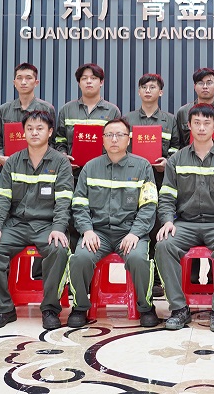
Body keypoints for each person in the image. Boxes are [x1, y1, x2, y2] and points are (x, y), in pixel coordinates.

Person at [0, 111, 73, 331]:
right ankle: (3, 309)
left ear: (50, 132)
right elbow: (1, 199)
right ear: (23, 133)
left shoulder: (60, 162)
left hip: (47, 225)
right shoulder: (13, 162)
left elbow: (64, 201)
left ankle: (50, 309)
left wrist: (59, 228)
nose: (34, 133)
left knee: (58, 249)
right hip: (16, 225)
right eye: (29, 129)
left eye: (40, 128)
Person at [155, 104, 214, 333]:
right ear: (189, 126)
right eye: (197, 123)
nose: (202, 128)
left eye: (207, 123)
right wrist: (167, 221)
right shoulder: (176, 159)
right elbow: (166, 197)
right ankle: (179, 308)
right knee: (164, 245)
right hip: (185, 223)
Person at [67, 118, 160, 328]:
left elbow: (149, 205)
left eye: (120, 135)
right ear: (102, 139)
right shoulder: (90, 167)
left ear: (129, 139)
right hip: (97, 232)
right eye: (109, 135)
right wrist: (87, 230)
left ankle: (146, 307)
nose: (114, 139)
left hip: (130, 232)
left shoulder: (142, 167)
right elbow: (79, 204)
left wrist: (135, 233)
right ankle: (80, 307)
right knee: (80, 258)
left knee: (139, 259)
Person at [124, 72, 179, 297]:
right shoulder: (127, 119)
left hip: (159, 180)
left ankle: (156, 279)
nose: (148, 91)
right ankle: (137, 275)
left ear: (161, 92)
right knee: (135, 226)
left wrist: (168, 162)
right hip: (132, 182)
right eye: (144, 87)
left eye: (153, 87)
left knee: (157, 227)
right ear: (139, 92)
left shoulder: (170, 120)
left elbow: (177, 148)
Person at [54, 63, 121, 167]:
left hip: (103, 169)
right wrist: (63, 156)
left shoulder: (112, 111)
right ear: (79, 83)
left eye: (93, 78)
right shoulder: (66, 110)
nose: (89, 81)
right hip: (72, 170)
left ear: (101, 82)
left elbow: (118, 141)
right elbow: (60, 139)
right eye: (84, 78)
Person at [0, 62, 56, 166]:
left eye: (28, 78)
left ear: (36, 82)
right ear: (14, 82)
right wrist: (0, 157)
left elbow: (52, 141)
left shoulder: (47, 109)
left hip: (39, 166)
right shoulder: (3, 110)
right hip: (10, 166)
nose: (23, 82)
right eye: (19, 78)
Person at [175, 68, 214, 148]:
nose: (205, 87)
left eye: (209, 83)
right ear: (195, 86)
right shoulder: (183, 112)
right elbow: (179, 143)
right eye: (200, 83)